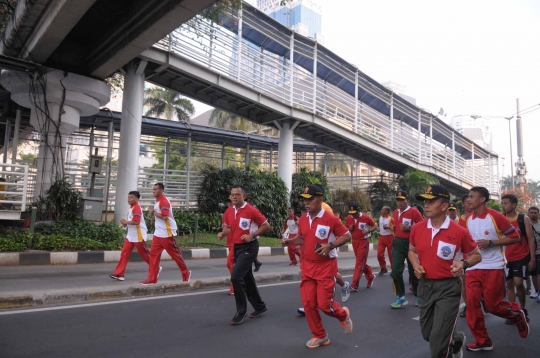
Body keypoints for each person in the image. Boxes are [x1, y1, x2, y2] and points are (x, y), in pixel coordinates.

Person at [409, 185, 482, 358]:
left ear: (443, 206)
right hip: (425, 286)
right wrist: (415, 265)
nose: (426, 205)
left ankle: (446, 345)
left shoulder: (459, 232)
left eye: (431, 201)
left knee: (438, 340)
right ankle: (456, 340)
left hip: (448, 288)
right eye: (425, 201)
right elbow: (412, 251)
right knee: (428, 334)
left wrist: (463, 264)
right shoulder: (417, 228)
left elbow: (476, 255)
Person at [283, 184, 353, 348]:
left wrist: (331, 245)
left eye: (310, 199)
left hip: (325, 267)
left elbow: (346, 235)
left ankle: (342, 315)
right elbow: (303, 238)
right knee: (308, 304)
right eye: (304, 200)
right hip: (307, 267)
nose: (306, 203)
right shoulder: (304, 218)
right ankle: (320, 335)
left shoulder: (331, 219)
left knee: (324, 305)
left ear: (320, 200)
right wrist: (291, 241)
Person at [464, 186, 530, 352]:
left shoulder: (496, 217)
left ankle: (517, 314)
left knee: (493, 306)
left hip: (493, 266)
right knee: (472, 305)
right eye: (468, 197)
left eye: (472, 196)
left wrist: (491, 243)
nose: (468, 200)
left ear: (482, 199)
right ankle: (483, 340)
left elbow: (515, 237)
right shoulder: (467, 219)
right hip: (473, 267)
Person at [218, 185, 270, 325]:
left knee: (236, 277)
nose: (234, 197)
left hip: (250, 247)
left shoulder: (251, 210)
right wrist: (223, 233)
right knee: (246, 278)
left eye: (237, 194)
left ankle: (241, 311)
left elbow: (266, 225)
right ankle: (259, 306)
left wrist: (252, 235)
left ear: (243, 196)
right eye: (232, 194)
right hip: (237, 247)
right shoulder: (229, 211)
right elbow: (228, 228)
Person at [140, 183, 191, 285]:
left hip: (167, 233)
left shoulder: (163, 201)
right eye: (153, 189)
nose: (153, 191)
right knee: (153, 256)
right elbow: (161, 216)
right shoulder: (157, 201)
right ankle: (152, 278)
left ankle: (186, 273)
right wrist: (154, 219)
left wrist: (153, 213)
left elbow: (165, 216)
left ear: (161, 190)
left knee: (176, 255)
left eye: (155, 189)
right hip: (158, 233)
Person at [501, 194, 536, 323]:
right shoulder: (501, 218)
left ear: (514, 205)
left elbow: (531, 239)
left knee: (519, 283)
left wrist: (532, 259)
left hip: (521, 256)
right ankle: (514, 312)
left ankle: (522, 309)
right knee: (509, 284)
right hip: (506, 258)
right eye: (502, 203)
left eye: (506, 203)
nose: (503, 205)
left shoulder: (523, 218)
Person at [110, 191, 154, 281]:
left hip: (138, 236)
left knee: (145, 255)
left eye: (132, 197)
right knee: (124, 254)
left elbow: (136, 221)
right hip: (130, 236)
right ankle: (119, 274)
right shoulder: (132, 208)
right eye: (129, 197)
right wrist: (126, 224)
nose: (129, 199)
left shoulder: (137, 208)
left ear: (137, 199)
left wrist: (125, 222)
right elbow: (133, 220)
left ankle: (156, 267)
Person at [390, 190, 423, 308]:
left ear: (407, 200)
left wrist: (409, 228)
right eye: (398, 200)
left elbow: (422, 226)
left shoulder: (414, 212)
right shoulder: (395, 212)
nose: (400, 202)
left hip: (410, 244)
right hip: (398, 243)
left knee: (413, 272)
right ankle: (401, 297)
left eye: (402, 200)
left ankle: (419, 295)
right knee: (395, 271)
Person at [346, 203, 377, 290]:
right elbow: (345, 229)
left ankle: (354, 284)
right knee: (361, 262)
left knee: (359, 263)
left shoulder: (366, 217)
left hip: (364, 242)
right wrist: (349, 229)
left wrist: (368, 230)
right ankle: (370, 276)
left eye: (354, 213)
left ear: (359, 211)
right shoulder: (349, 218)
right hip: (355, 242)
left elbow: (375, 225)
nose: (353, 215)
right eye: (351, 213)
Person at [458, 194, 473, 318]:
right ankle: (468, 306)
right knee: (464, 281)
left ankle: (480, 300)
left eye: (471, 201)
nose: (469, 203)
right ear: (463, 204)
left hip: (478, 256)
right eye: (467, 202)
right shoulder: (458, 220)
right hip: (464, 256)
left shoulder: (478, 219)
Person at [219, 197, 235, 295]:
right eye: (228, 202)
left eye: (231, 202)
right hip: (230, 242)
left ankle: (235, 286)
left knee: (230, 263)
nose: (229, 203)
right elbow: (225, 227)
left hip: (239, 243)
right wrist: (222, 233)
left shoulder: (243, 211)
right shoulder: (227, 212)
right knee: (234, 265)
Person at [527, 206, 540, 301]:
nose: (533, 214)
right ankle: (536, 290)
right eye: (531, 212)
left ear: (538, 214)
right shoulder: (526, 225)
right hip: (529, 253)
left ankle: (539, 292)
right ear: (528, 214)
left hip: (539, 252)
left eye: (535, 212)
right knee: (533, 274)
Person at [377, 206, 394, 276]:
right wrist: (379, 228)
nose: (381, 210)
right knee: (379, 254)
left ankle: (393, 269)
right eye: (381, 209)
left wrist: (388, 227)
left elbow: (395, 228)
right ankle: (383, 268)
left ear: (386, 211)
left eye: (383, 209)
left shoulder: (391, 219)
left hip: (389, 237)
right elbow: (380, 226)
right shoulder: (380, 218)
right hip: (381, 237)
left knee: (391, 255)